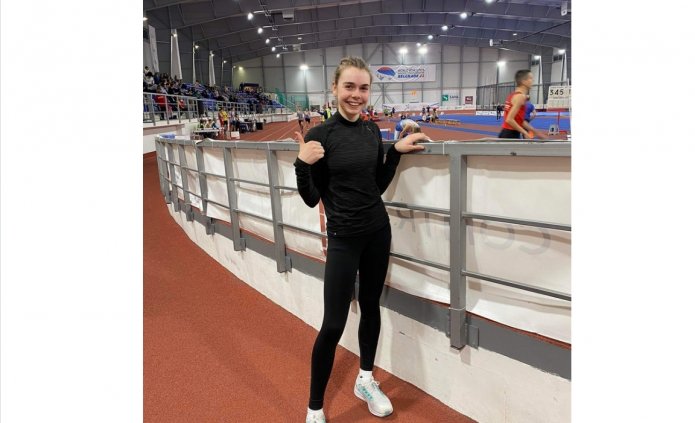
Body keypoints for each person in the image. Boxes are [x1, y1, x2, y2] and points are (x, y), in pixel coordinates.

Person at [295, 56, 429, 423]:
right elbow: (310, 198)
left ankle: (365, 380)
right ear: (335, 89)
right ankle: (315, 407)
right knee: (333, 324)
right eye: (349, 87)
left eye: (364, 88)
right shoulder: (320, 135)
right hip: (343, 238)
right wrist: (302, 164)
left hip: (377, 232)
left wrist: (394, 153)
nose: (356, 94)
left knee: (371, 307)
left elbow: (377, 185)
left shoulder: (371, 132)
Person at [498, 70, 534, 139]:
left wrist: (535, 131)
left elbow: (519, 121)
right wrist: (524, 132)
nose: (533, 81)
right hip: (510, 135)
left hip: (507, 133)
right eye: (530, 78)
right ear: (524, 81)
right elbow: (509, 119)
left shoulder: (512, 95)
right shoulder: (520, 97)